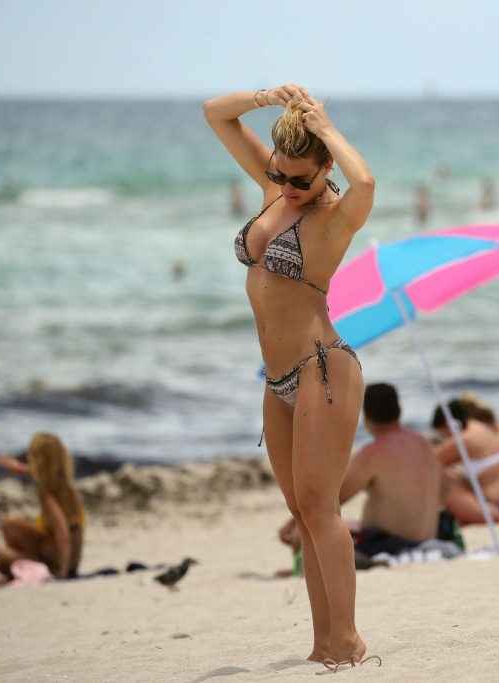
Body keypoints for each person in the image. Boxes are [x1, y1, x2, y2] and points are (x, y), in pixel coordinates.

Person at [204, 83, 375, 667]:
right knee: (301, 511)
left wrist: (325, 127)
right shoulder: (276, 186)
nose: (293, 188)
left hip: (321, 369)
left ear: (325, 166)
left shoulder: (333, 215)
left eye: (305, 179)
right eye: (284, 174)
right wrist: (264, 97)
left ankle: (349, 637)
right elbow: (215, 115)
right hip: (276, 380)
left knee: (320, 506)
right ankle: (323, 642)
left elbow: (367, 183)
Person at [279, 383, 443, 566]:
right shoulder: (425, 445)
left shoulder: (373, 453)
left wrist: (294, 523)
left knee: (317, 530)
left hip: (389, 545)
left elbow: (328, 500)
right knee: (348, 526)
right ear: (399, 410)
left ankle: (302, 571)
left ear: (365, 416)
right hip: (428, 538)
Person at [0, 433, 85, 579]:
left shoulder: (48, 494)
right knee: (10, 525)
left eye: (32, 455)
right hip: (70, 558)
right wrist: (19, 468)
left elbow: (63, 535)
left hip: (58, 562)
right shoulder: (66, 486)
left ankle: (30, 563)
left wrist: (62, 573)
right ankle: (27, 559)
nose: (29, 457)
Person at [432, 399, 499, 524]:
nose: (445, 438)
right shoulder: (480, 429)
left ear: (451, 425)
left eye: (443, 434)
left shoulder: (464, 440)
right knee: (454, 475)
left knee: (444, 480)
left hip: (496, 511)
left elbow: (428, 462)